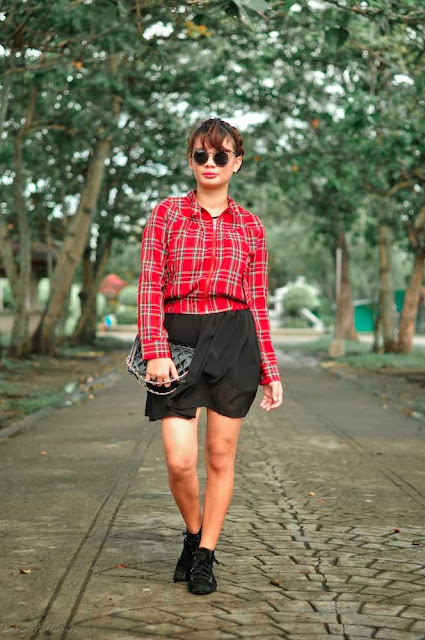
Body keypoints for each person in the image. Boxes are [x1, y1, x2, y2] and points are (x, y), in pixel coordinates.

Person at [137, 116, 283, 596]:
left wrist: (270, 369)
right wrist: (155, 349)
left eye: (221, 155)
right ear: (191, 160)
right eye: (201, 154)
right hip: (178, 339)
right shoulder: (166, 215)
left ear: (236, 162)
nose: (211, 163)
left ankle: (205, 555)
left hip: (234, 338)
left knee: (219, 455)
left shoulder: (251, 226)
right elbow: (149, 286)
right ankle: (193, 531)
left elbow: (257, 301)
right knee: (179, 460)